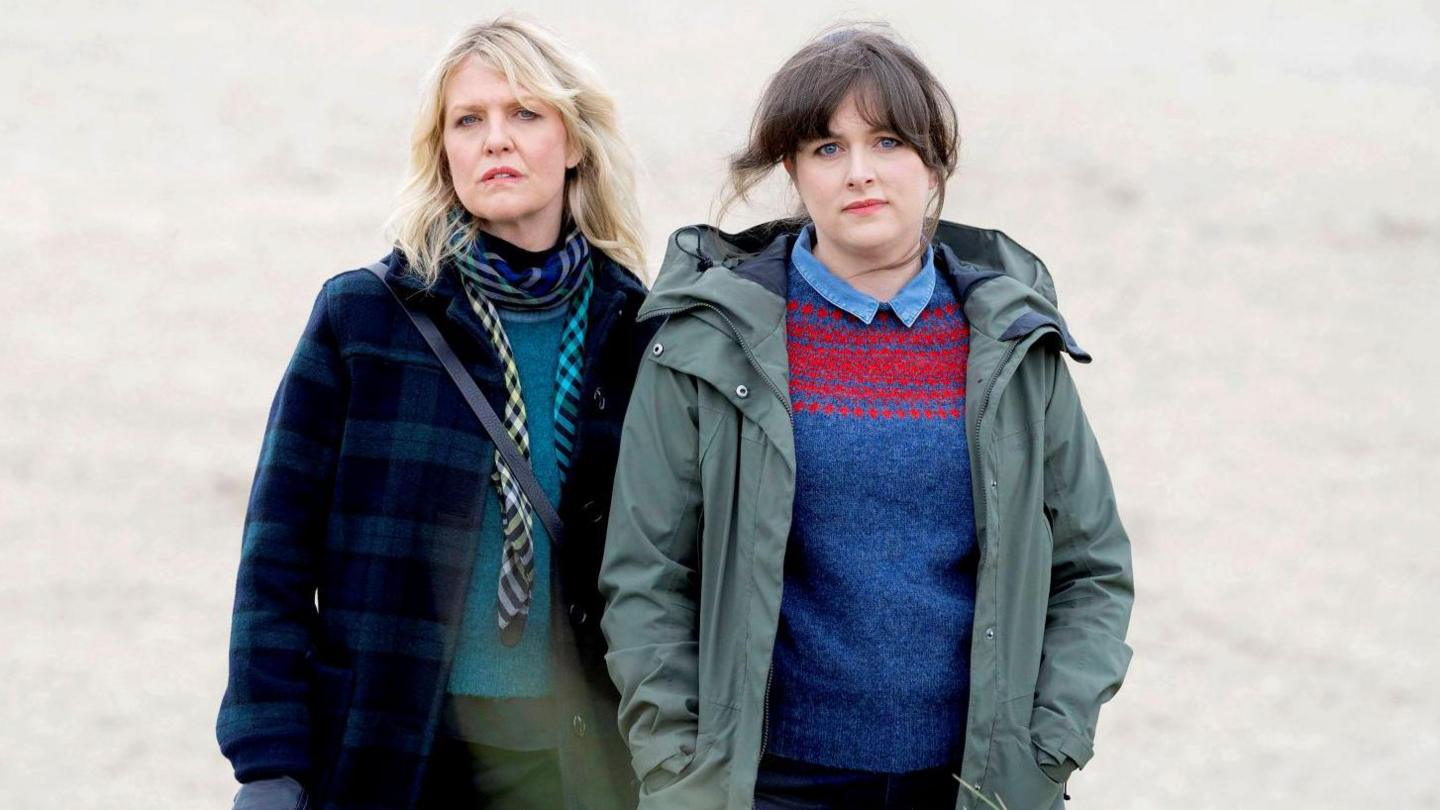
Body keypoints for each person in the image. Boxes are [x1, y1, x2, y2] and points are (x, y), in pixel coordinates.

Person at [598, 23, 1134, 810]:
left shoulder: (1014, 344)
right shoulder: (706, 343)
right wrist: (680, 771)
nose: (859, 174)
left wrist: (1046, 746)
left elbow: (1093, 571)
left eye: (886, 142)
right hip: (766, 784)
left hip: (968, 784)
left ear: (932, 161)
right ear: (792, 168)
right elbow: (647, 575)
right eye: (825, 148)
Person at [217, 16, 654, 810]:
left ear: (576, 142)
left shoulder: (637, 329)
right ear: (443, 150)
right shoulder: (367, 317)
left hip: (574, 758)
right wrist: (268, 762)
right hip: (394, 743)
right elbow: (277, 554)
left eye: (526, 114)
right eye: (469, 120)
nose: (496, 140)